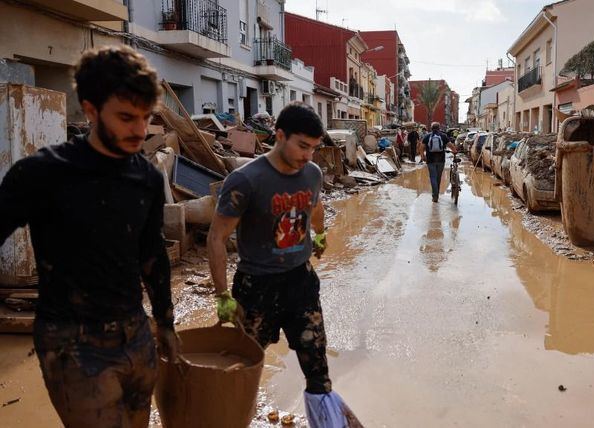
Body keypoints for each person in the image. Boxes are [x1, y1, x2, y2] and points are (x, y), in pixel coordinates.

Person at [0, 45, 178, 427]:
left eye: (146, 117)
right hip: (72, 345)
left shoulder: (145, 177)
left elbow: (152, 256)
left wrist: (165, 323)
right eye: (127, 117)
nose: (140, 131)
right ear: (92, 109)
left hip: (136, 334)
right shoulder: (42, 175)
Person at [207, 103, 362, 427]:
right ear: (279, 135)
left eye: (314, 148)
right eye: (302, 146)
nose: (308, 155)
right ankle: (230, 418)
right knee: (242, 368)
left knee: (317, 368)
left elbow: (316, 206)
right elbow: (217, 237)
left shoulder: (313, 174)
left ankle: (327, 421)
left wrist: (319, 235)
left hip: (300, 284)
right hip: (256, 288)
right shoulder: (246, 180)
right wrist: (222, 295)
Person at [418, 122, 458, 203]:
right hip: (441, 160)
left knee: (433, 177)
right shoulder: (443, 136)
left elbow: (421, 147)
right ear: (439, 128)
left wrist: (423, 156)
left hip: (430, 160)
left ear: (431, 128)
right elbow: (450, 145)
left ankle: (435, 196)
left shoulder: (427, 136)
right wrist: (454, 151)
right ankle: (437, 194)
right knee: (438, 178)